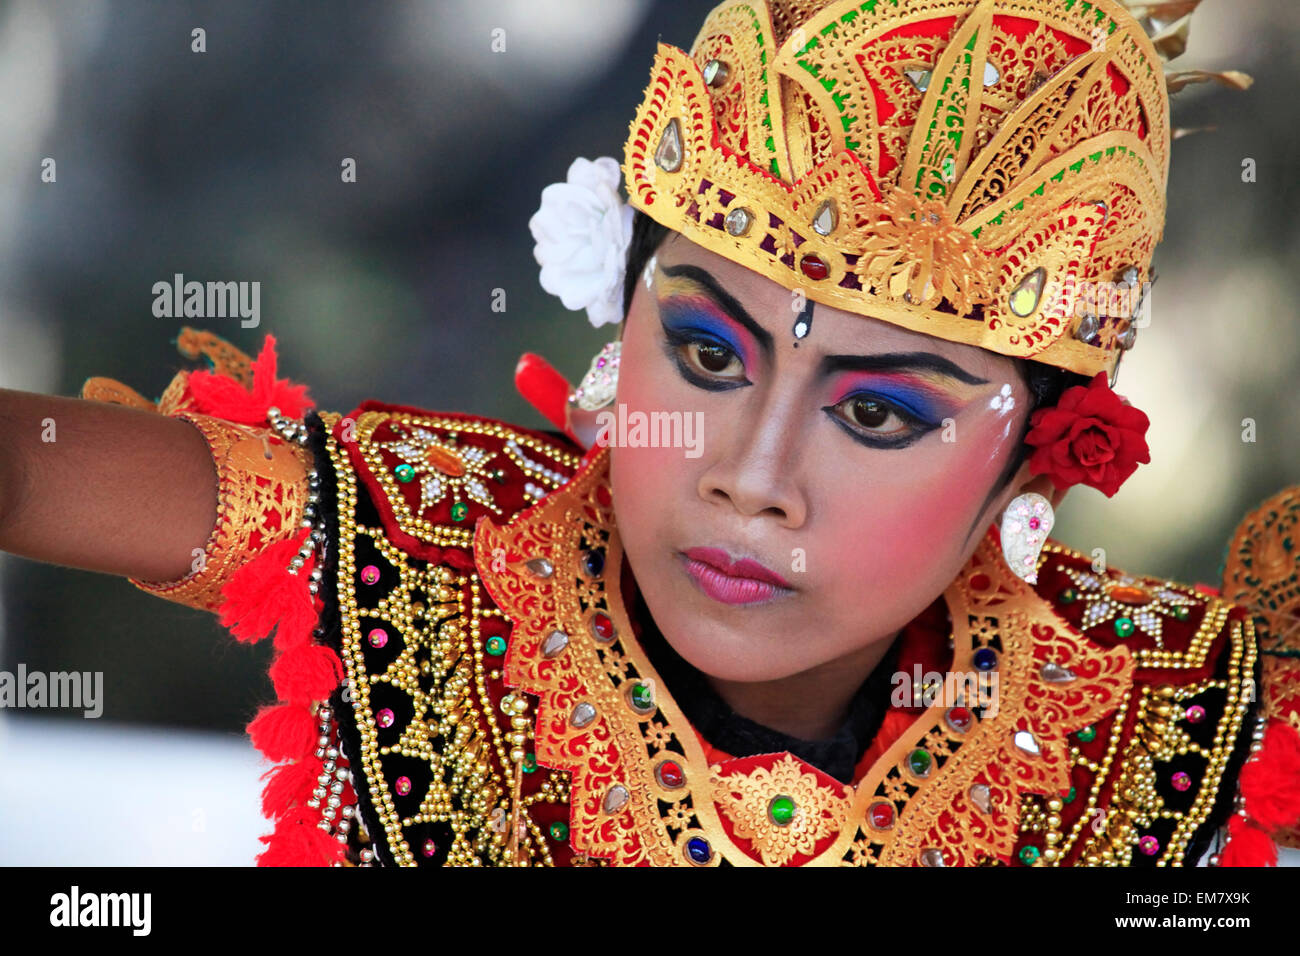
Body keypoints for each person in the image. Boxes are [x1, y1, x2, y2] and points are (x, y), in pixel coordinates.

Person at [1, 0, 1296, 867]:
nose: (752, 478)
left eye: (877, 412)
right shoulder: (441, 553)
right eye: (708, 354)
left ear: (1036, 464)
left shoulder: (1159, 713)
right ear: (618, 338)